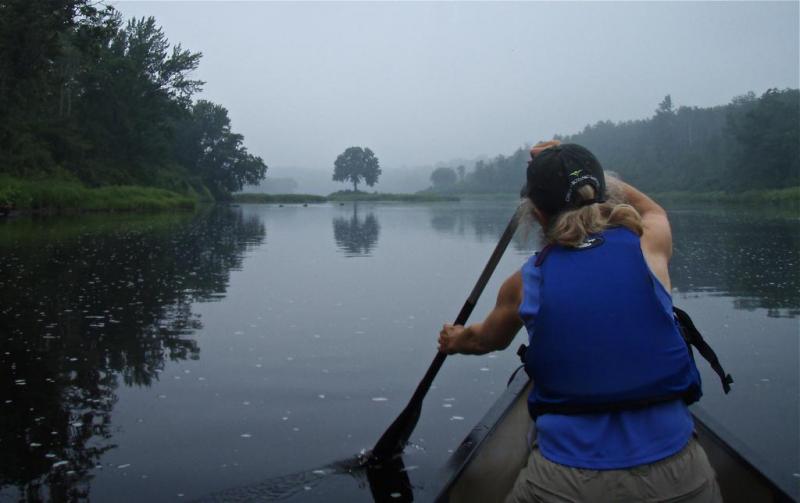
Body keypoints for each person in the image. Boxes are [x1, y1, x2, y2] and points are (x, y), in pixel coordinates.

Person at [438, 141, 722, 502]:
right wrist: (580, 164)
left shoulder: (526, 282)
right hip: (681, 476)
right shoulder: (648, 247)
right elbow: (652, 210)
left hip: (563, 484)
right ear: (602, 194)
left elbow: (484, 340)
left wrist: (454, 339)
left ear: (538, 214)